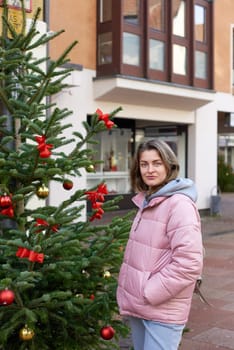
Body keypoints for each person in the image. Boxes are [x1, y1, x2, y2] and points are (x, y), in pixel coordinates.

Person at [117, 139, 203, 350]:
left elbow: (189, 264)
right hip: (141, 304)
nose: (150, 170)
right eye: (144, 164)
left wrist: (150, 291)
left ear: (169, 165)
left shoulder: (179, 204)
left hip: (162, 307)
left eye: (157, 163)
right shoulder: (148, 200)